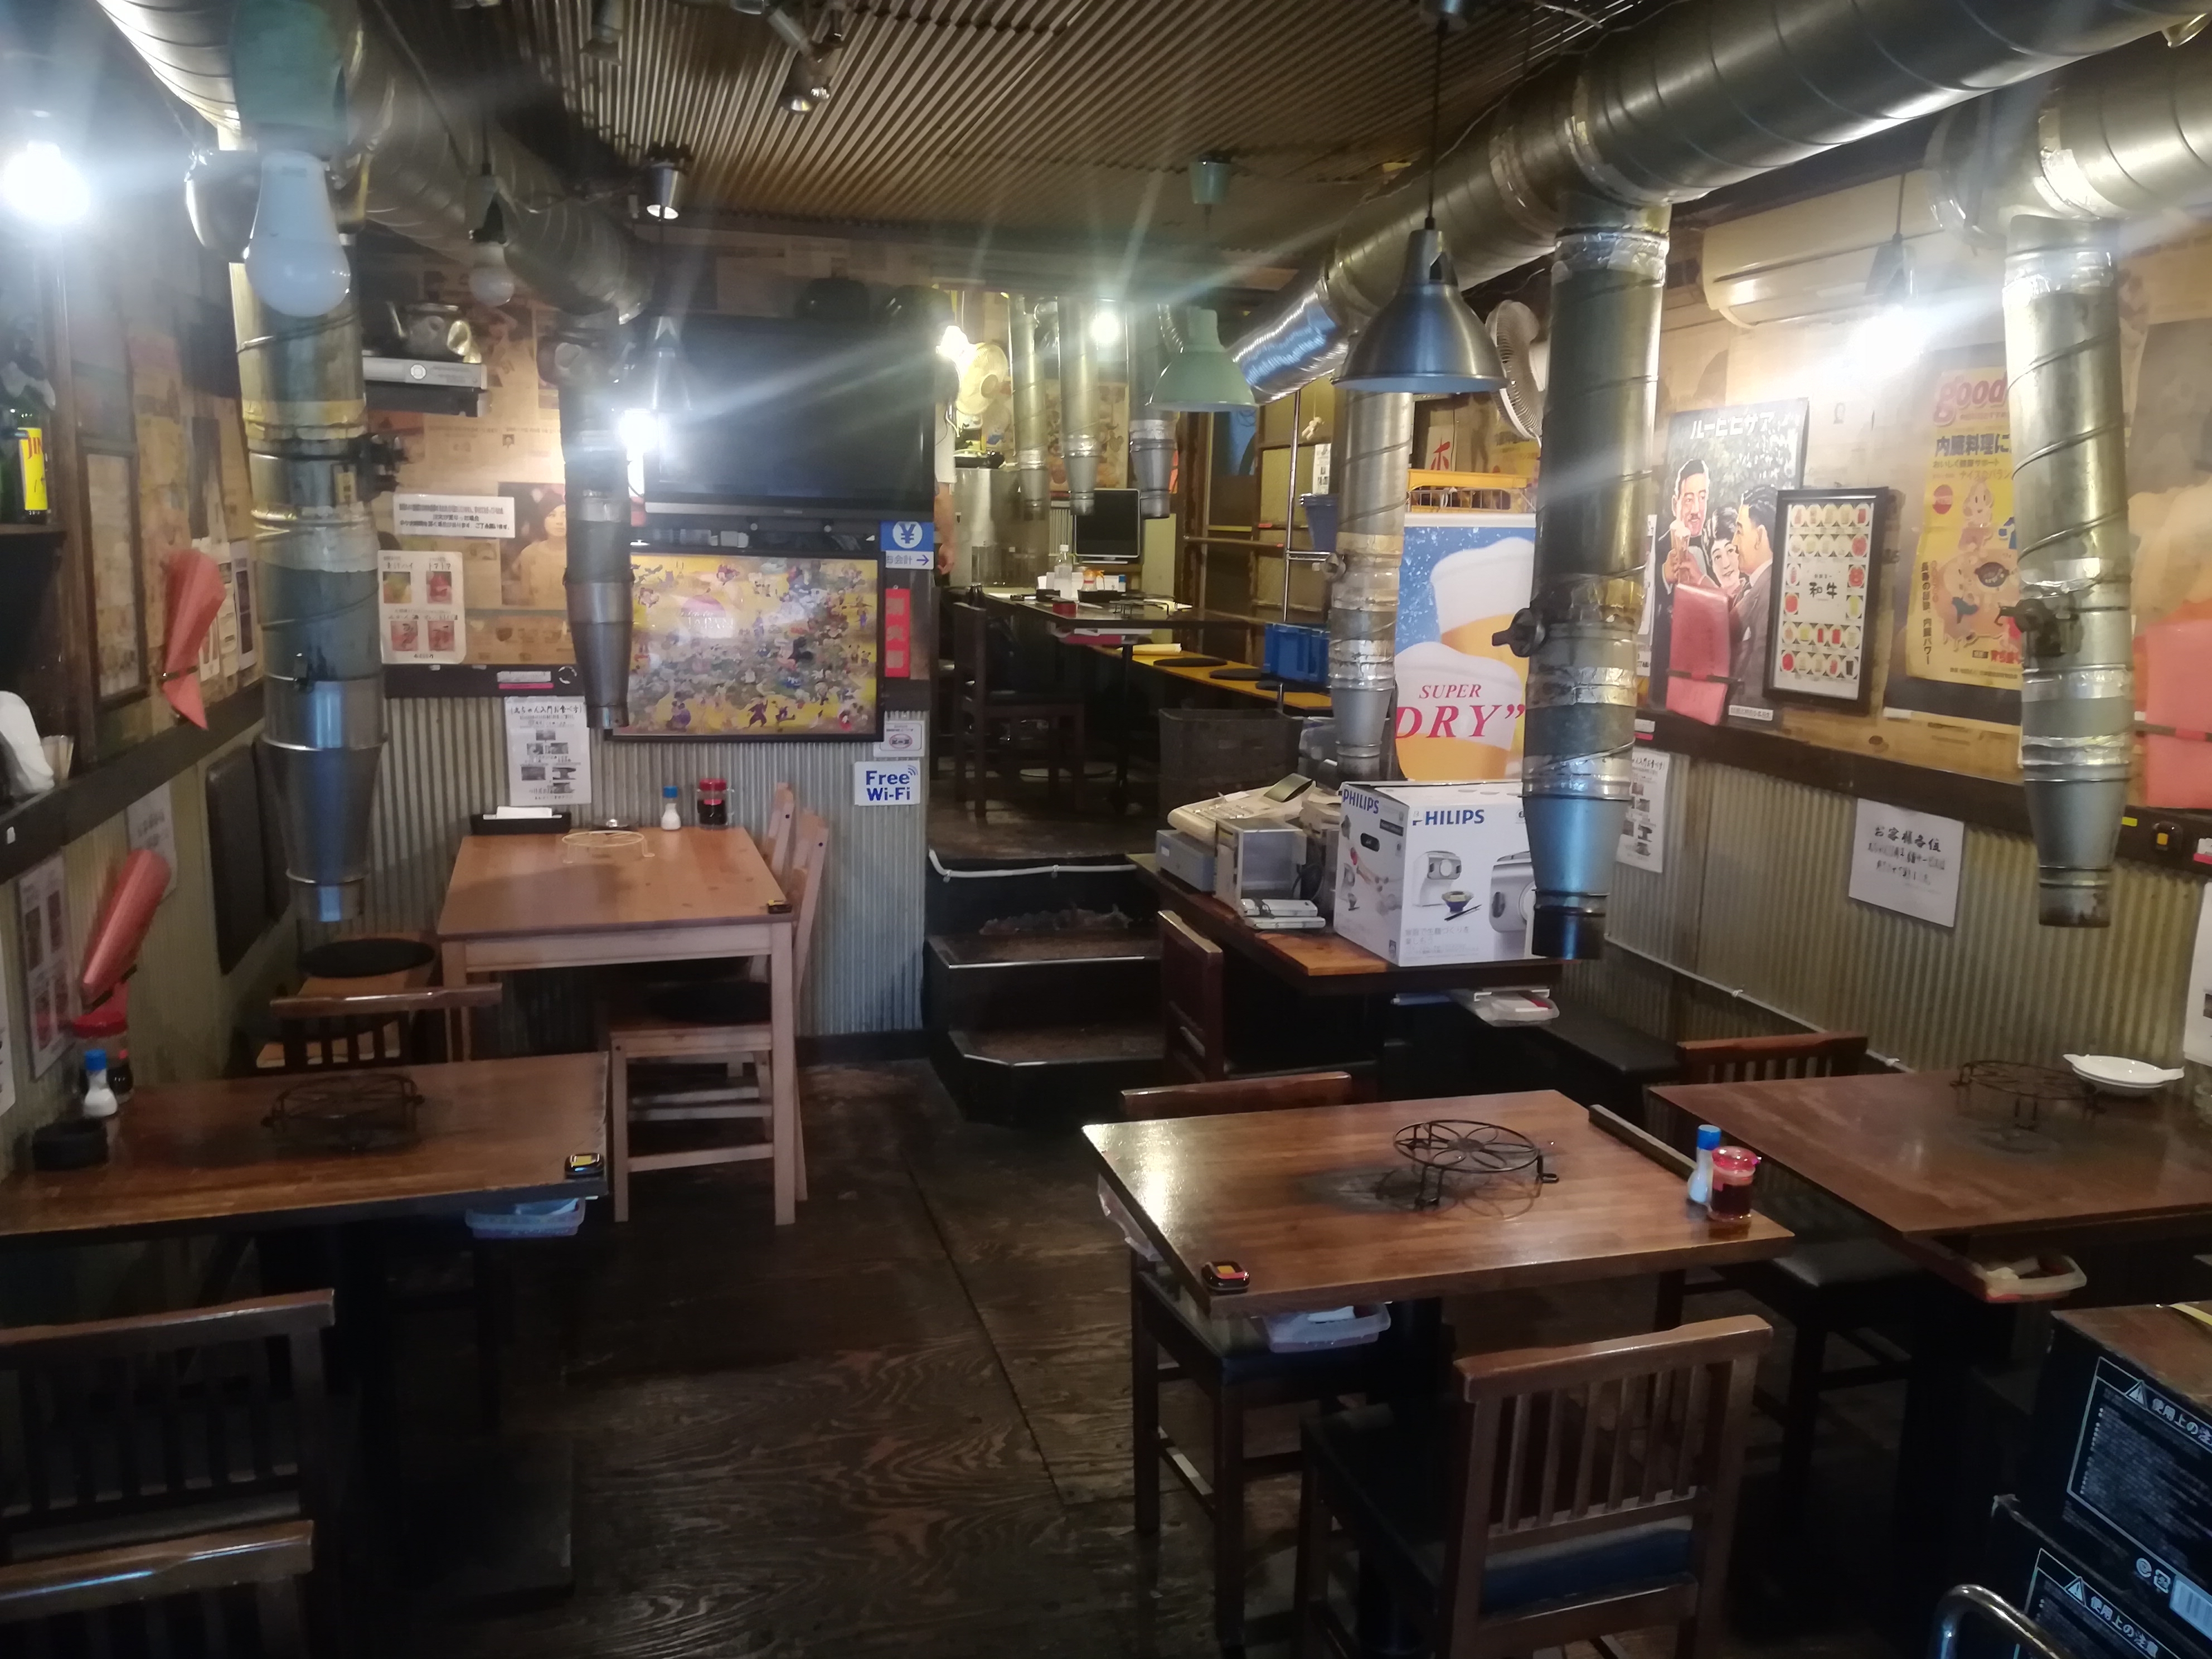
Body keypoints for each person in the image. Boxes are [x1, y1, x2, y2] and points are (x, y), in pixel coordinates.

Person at [505, 493, 569, 609]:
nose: (559, 522)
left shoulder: (579, 555)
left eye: (565, 516)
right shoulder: (530, 553)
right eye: (552, 515)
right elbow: (525, 598)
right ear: (542, 519)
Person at [1660, 456, 1713, 592]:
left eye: (1702, 498)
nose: (1696, 510)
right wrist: (1664, 576)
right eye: (1689, 500)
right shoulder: (1658, 550)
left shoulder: (1716, 548)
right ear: (1675, 505)